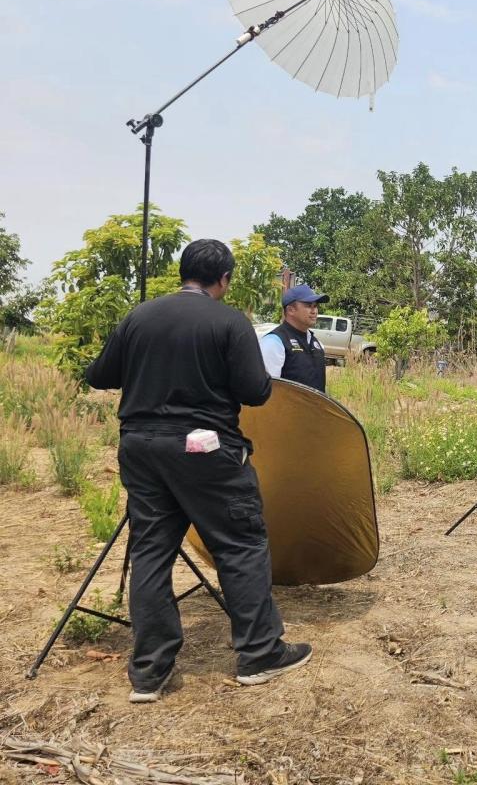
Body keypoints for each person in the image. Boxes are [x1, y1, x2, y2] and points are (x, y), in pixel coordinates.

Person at [85, 239, 311, 702]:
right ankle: (260, 653)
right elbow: (254, 391)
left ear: (182, 272)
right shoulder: (229, 321)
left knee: (150, 551)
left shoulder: (139, 316)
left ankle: (148, 672)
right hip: (204, 448)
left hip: (141, 447)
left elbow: (100, 375)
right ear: (223, 279)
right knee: (240, 543)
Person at [259, 283, 329, 392]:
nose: (314, 311)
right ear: (291, 310)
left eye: (315, 306)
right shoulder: (274, 342)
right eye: (308, 305)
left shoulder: (317, 343)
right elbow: (266, 391)